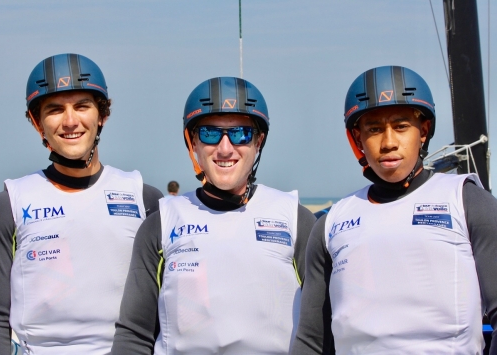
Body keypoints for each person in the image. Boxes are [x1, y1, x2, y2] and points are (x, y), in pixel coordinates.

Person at [291, 65, 497, 354]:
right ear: (358, 139)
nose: (388, 142)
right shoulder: (330, 224)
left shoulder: (468, 202)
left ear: (423, 131)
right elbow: (312, 341)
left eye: (401, 127)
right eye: (374, 129)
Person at [112, 77, 316, 354]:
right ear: (192, 142)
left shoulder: (296, 220)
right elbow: (135, 334)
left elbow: (319, 331)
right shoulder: (160, 223)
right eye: (209, 133)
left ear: (259, 141)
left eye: (241, 134)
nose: (224, 148)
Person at [0, 53, 163, 354]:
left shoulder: (146, 200)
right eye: (55, 110)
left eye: (82, 106)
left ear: (102, 115)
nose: (70, 121)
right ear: (38, 123)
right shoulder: (8, 204)